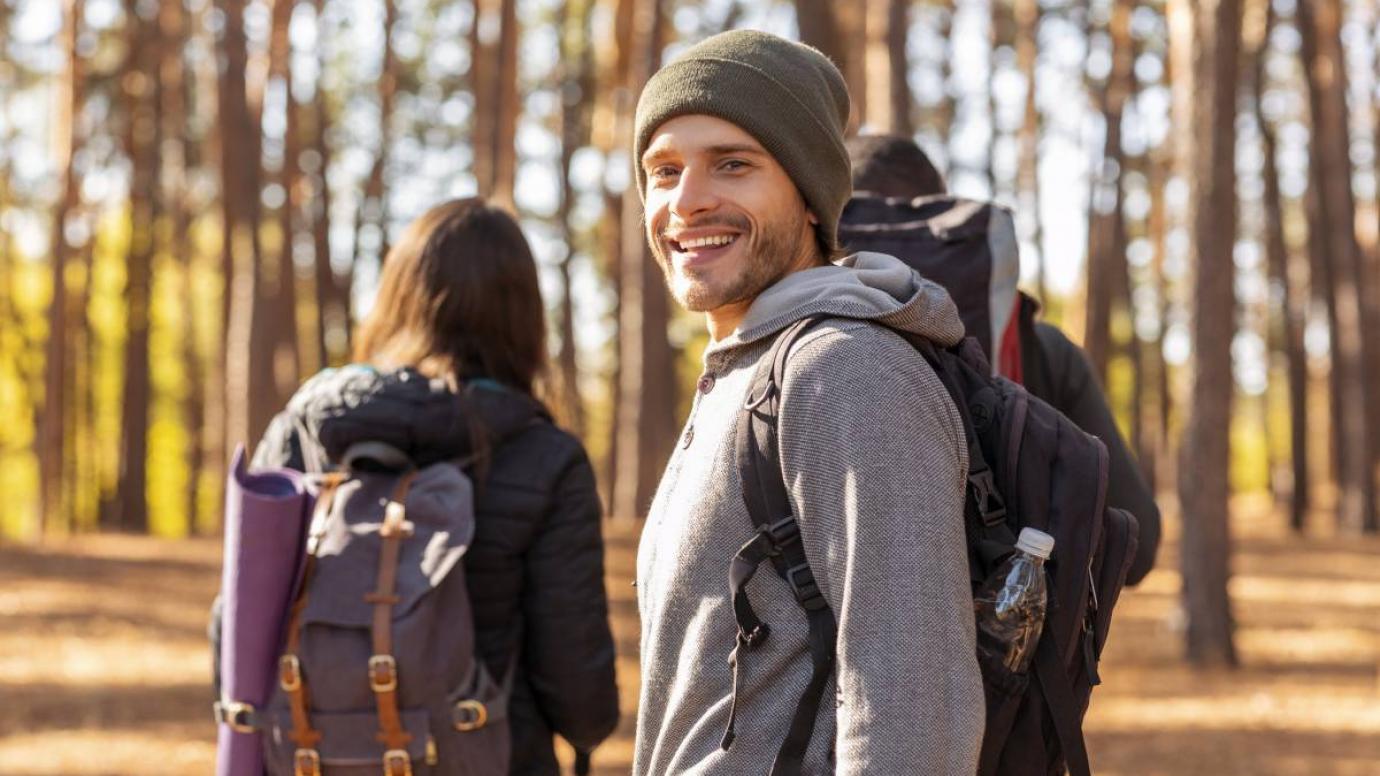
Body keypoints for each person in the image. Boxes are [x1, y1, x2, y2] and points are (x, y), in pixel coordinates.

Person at [630, 30, 984, 776]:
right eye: (663, 171)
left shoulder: (847, 374)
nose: (685, 201)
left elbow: (914, 716)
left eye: (733, 164)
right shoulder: (743, 370)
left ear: (810, 190)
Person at [243, 198, 620, 775]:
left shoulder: (304, 429)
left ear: (395, 297)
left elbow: (240, 649)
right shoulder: (547, 457)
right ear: (523, 317)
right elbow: (581, 702)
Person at [844, 133, 1162, 585]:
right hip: (1000, 642)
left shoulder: (786, 342)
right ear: (941, 208)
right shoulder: (1043, 352)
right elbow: (1137, 542)